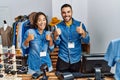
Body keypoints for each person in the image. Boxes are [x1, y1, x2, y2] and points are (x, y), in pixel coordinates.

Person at [54, 4, 90, 72]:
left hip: (76, 59)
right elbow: (57, 43)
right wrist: (55, 36)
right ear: (61, 13)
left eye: (68, 12)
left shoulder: (80, 25)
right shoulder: (57, 26)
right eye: (64, 12)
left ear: (72, 12)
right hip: (63, 59)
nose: (66, 14)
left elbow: (87, 41)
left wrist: (83, 33)